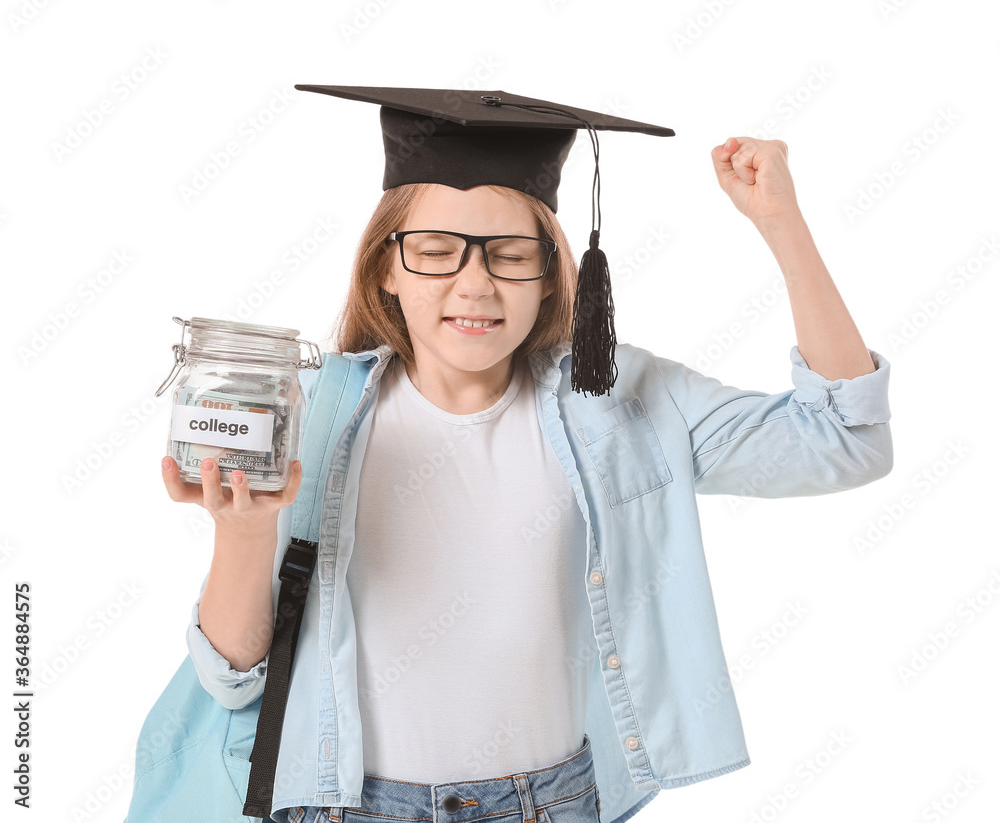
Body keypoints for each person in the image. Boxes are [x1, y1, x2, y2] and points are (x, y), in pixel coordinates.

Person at [159, 87, 892, 823]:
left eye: (510, 255)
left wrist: (782, 225)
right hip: (350, 808)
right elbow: (231, 679)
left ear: (549, 276)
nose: (473, 284)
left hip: (552, 805)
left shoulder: (619, 403)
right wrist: (245, 531)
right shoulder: (309, 413)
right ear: (385, 266)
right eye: (436, 252)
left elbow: (844, 439)